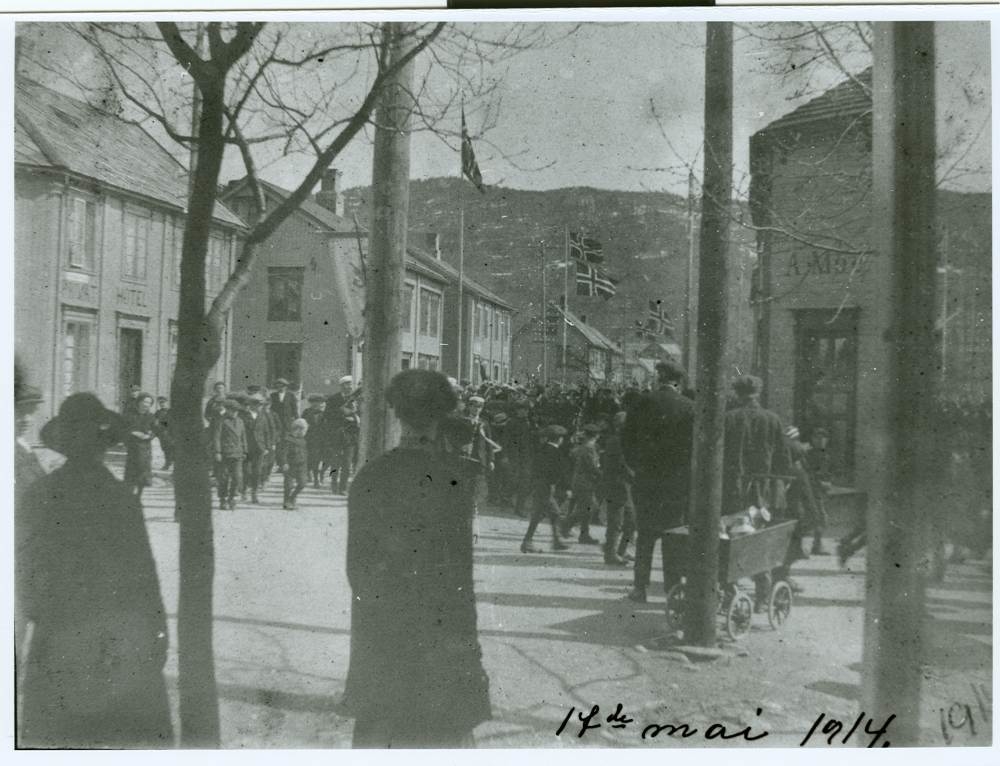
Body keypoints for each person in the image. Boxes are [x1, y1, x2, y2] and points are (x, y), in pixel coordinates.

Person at [344, 370, 491, 747]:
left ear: (397, 414)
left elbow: (358, 572)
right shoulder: (457, 480)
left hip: (383, 637)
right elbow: (459, 574)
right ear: (444, 415)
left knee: (381, 731)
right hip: (442, 640)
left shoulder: (369, 477)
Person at [17, 394, 172, 747]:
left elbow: (24, 578)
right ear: (104, 445)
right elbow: (145, 578)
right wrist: (158, 632)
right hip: (117, 637)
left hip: (59, 635)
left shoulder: (39, 494)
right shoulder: (120, 498)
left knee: (58, 735)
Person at [621, 359, 694, 603]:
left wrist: (636, 468)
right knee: (673, 537)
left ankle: (640, 588)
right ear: (678, 381)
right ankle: (672, 589)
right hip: (676, 484)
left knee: (645, 535)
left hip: (646, 480)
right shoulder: (689, 407)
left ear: (659, 378)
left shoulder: (642, 403)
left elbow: (626, 441)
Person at [723, 375, 796, 604]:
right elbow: (784, 460)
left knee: (730, 536)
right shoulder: (772, 419)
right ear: (758, 393)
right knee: (759, 536)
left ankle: (729, 592)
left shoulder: (728, 419)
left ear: (737, 393)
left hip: (731, 488)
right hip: (761, 489)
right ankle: (763, 594)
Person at [520, 424, 571, 553]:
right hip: (547, 487)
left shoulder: (541, 449)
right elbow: (558, 472)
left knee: (538, 514)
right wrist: (565, 487)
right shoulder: (556, 452)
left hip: (539, 485)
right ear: (559, 439)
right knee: (556, 513)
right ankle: (554, 539)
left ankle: (550, 541)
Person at [602, 410, 635, 566]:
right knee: (616, 522)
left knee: (631, 521)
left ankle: (621, 550)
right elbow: (622, 465)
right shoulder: (616, 441)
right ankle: (610, 554)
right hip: (617, 485)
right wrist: (637, 477)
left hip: (624, 486)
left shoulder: (622, 440)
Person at [561, 423, 603, 544]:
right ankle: (566, 524)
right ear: (596, 436)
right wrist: (603, 476)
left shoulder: (585, 447)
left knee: (587, 507)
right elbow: (592, 467)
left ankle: (583, 534)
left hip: (582, 481)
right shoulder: (589, 448)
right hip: (585, 482)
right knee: (591, 506)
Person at [212, 399, 247, 510]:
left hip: (238, 453)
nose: (235, 413)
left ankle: (232, 497)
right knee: (223, 478)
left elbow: (243, 437)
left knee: (238, 477)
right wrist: (217, 452)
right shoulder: (221, 421)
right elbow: (216, 437)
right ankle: (223, 499)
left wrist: (245, 450)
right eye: (233, 410)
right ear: (228, 410)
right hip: (225, 453)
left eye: (237, 411)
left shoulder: (240, 421)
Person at [240, 393, 274, 504]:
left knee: (257, 471)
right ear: (251, 405)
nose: (259, 406)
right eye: (257, 404)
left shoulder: (263, 416)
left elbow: (267, 432)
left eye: (260, 404)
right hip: (246, 447)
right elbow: (241, 432)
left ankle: (254, 493)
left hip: (259, 448)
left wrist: (268, 447)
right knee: (245, 471)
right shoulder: (243, 416)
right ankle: (244, 491)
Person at [124, 393, 156, 500]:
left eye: (149, 403)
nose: (146, 404)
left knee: (143, 470)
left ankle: (139, 494)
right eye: (145, 401)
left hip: (145, 447)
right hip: (133, 446)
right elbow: (124, 428)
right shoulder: (130, 415)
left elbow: (156, 430)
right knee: (132, 471)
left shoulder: (151, 416)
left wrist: (149, 436)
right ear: (139, 402)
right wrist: (133, 433)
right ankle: (129, 494)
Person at [279, 418, 309, 510]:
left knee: (302, 483)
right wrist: (284, 463)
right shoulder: (288, 440)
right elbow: (283, 453)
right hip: (290, 465)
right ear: (298, 429)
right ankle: (286, 502)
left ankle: (292, 498)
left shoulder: (303, 440)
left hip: (301, 465)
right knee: (288, 485)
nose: (305, 432)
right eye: (304, 430)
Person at [303, 394, 328, 488]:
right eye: (313, 402)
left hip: (324, 440)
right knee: (315, 459)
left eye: (318, 402)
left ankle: (321, 474)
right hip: (311, 439)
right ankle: (316, 479)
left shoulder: (326, 413)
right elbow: (302, 425)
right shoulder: (306, 412)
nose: (315, 404)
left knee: (327, 459)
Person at [153, 396, 174, 471]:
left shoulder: (171, 411)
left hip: (171, 433)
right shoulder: (158, 413)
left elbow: (172, 422)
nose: (162, 404)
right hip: (162, 434)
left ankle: (169, 464)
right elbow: (154, 422)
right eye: (160, 403)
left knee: (171, 448)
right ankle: (168, 463)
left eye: (163, 402)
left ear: (167, 402)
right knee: (165, 449)